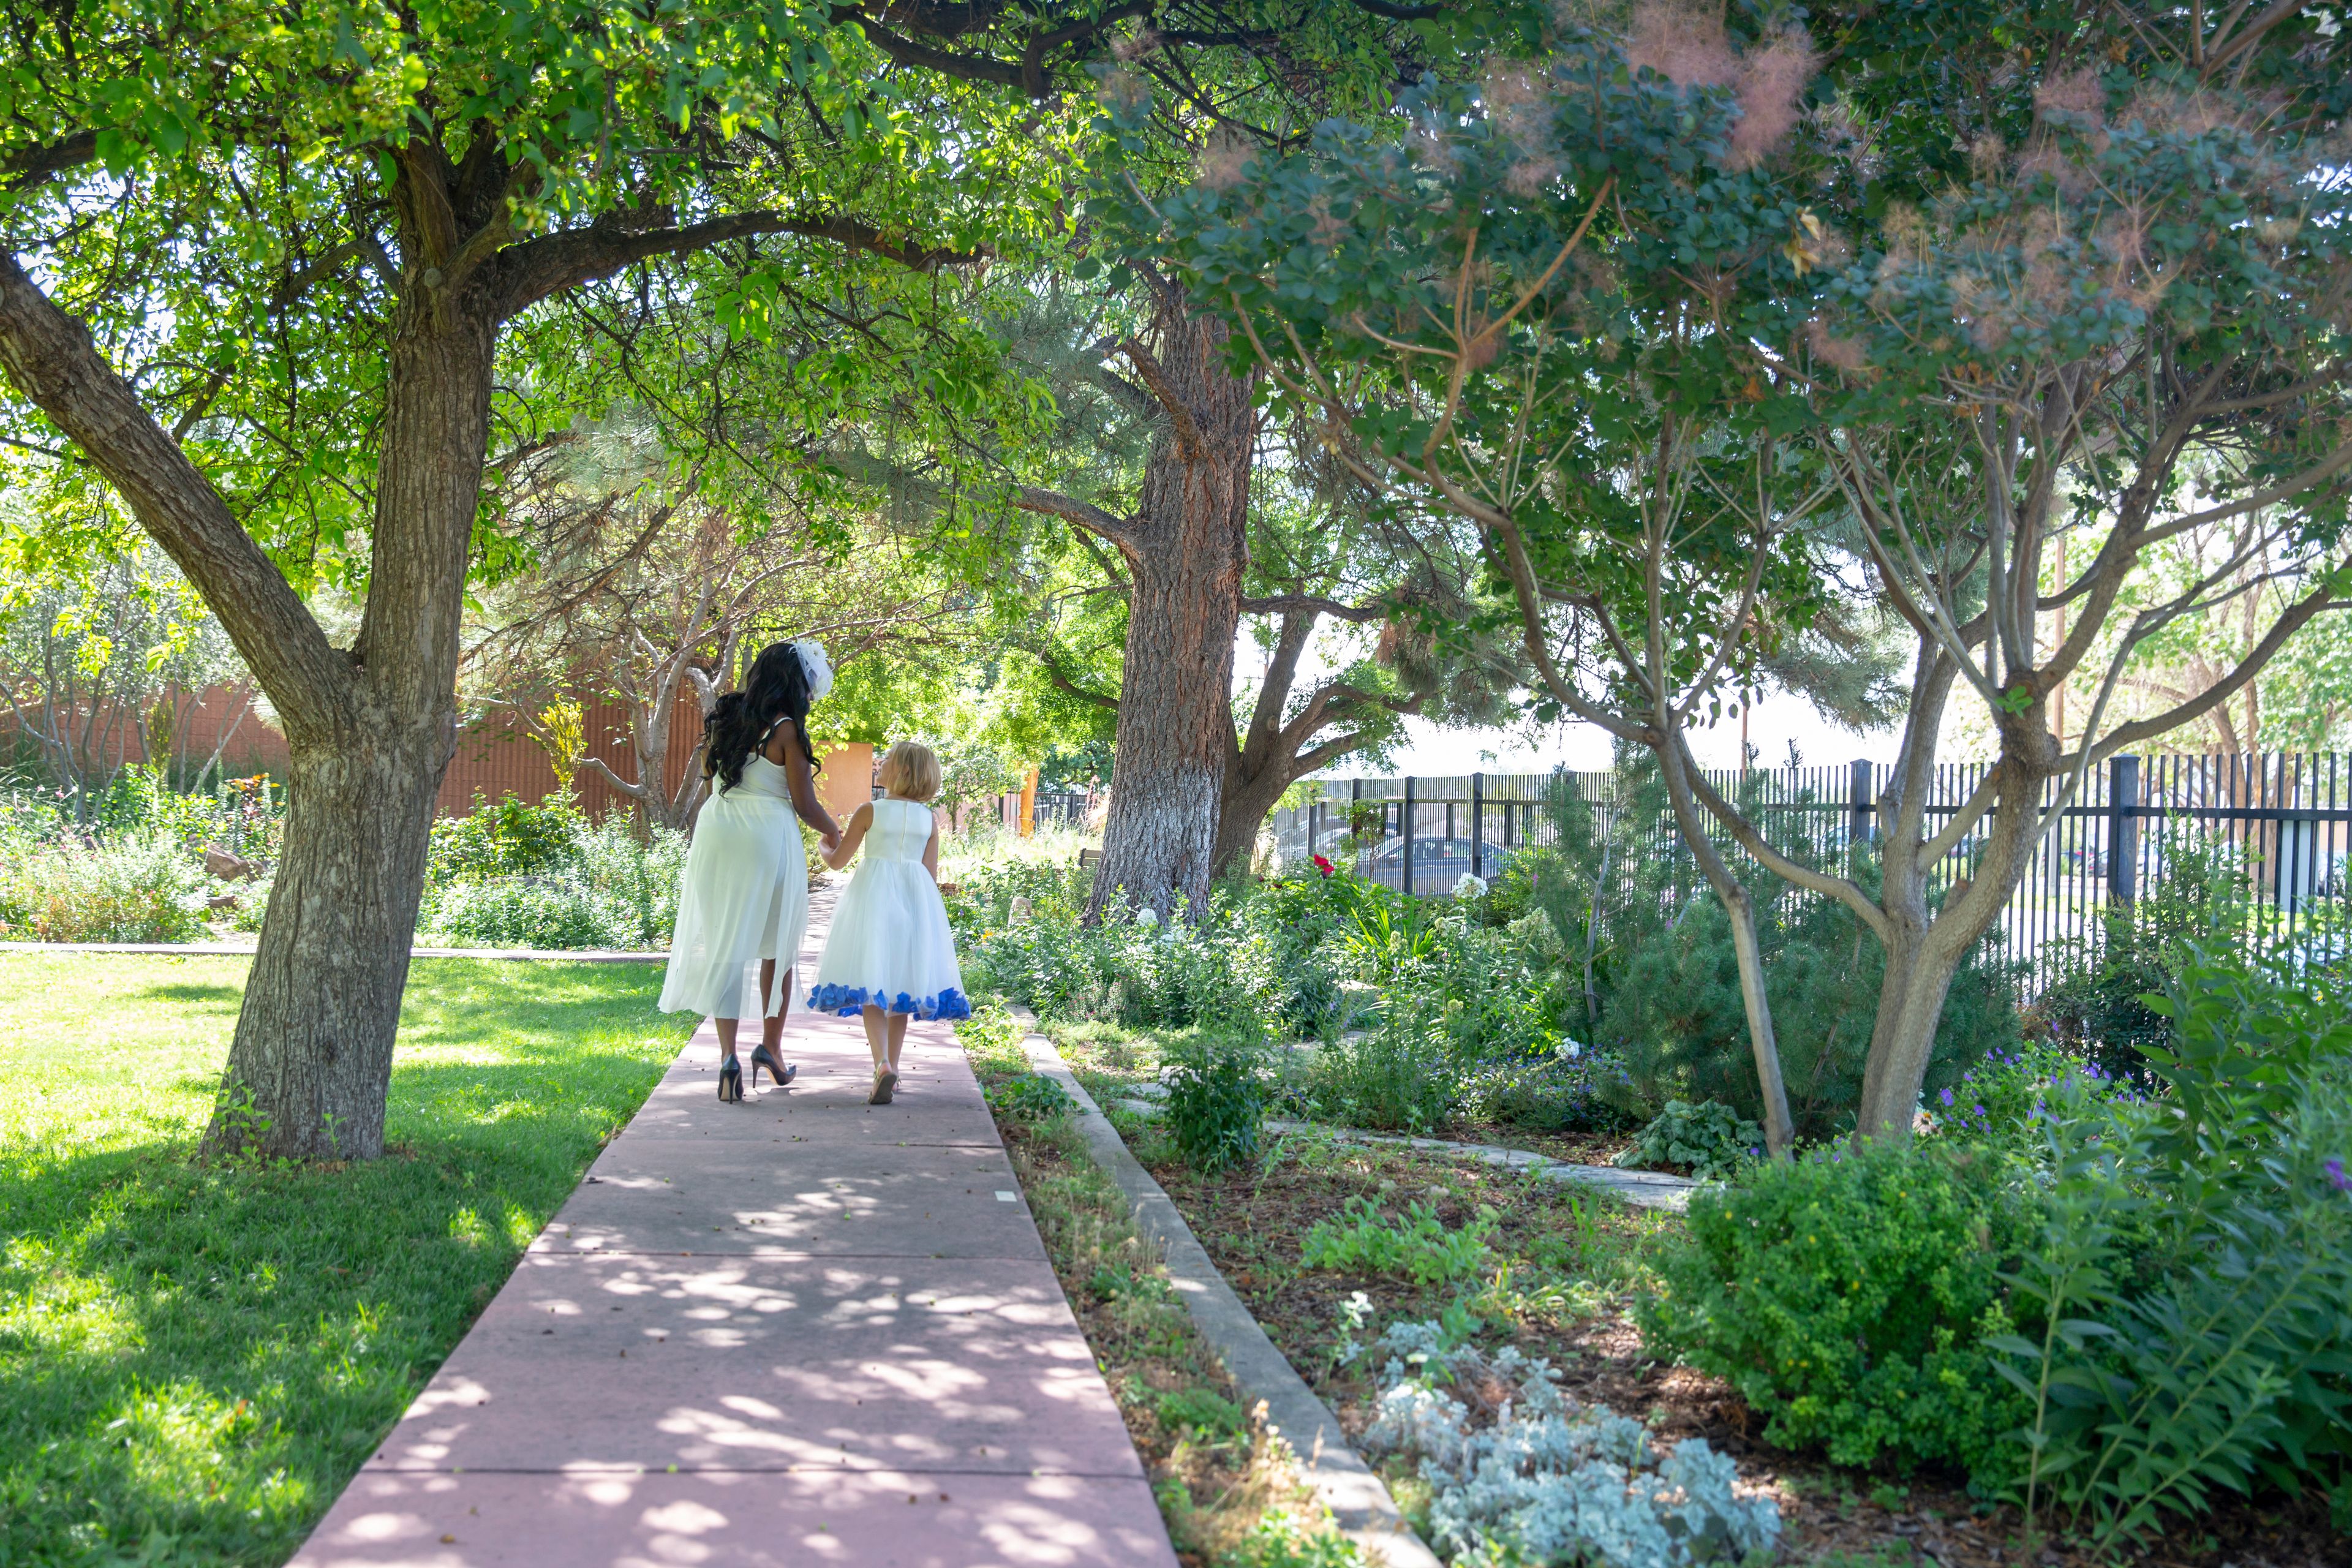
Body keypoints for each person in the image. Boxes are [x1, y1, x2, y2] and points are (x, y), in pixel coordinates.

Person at [659, 639, 842, 1102]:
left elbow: (715, 779)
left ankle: (726, 1058)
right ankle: (772, 1049)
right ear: (796, 686)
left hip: (718, 830)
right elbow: (804, 804)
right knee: (776, 947)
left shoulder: (726, 720)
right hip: (765, 834)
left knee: (726, 944)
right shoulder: (786, 731)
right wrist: (834, 831)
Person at [807, 740, 970, 1104]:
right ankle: (892, 1070)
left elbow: (837, 863)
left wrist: (823, 845)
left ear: (903, 771)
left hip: (874, 903)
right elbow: (930, 873)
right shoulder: (929, 820)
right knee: (903, 990)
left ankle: (881, 1063)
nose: (880, 763)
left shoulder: (870, 811)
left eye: (888, 760)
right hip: (915, 905)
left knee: (872, 986)